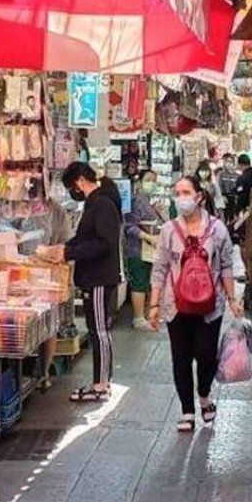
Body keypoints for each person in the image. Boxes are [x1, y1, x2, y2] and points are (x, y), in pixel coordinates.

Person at [148, 176, 241, 432]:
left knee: (206, 354)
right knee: (181, 357)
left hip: (210, 306)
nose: (181, 198)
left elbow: (225, 266)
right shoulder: (169, 230)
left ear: (199, 196)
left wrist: (233, 300)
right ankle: (187, 411)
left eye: (186, 192)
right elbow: (160, 268)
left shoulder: (218, 229)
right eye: (177, 193)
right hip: (175, 305)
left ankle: (204, 395)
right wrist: (154, 305)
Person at [44, 161, 124, 402]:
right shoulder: (97, 202)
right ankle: (102, 381)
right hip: (94, 276)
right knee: (98, 329)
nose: (72, 192)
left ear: (80, 181)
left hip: (99, 277)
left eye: (71, 186)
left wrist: (69, 253)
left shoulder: (102, 203)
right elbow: (85, 237)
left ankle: (100, 385)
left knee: (99, 331)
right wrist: (66, 248)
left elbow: (104, 243)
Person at [124, 169, 163, 331]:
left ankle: (147, 315)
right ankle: (138, 317)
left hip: (149, 251)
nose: (151, 184)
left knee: (146, 281)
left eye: (154, 180)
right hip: (137, 249)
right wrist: (148, 237)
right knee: (139, 282)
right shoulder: (134, 201)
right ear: (139, 182)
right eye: (148, 180)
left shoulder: (146, 201)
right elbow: (129, 227)